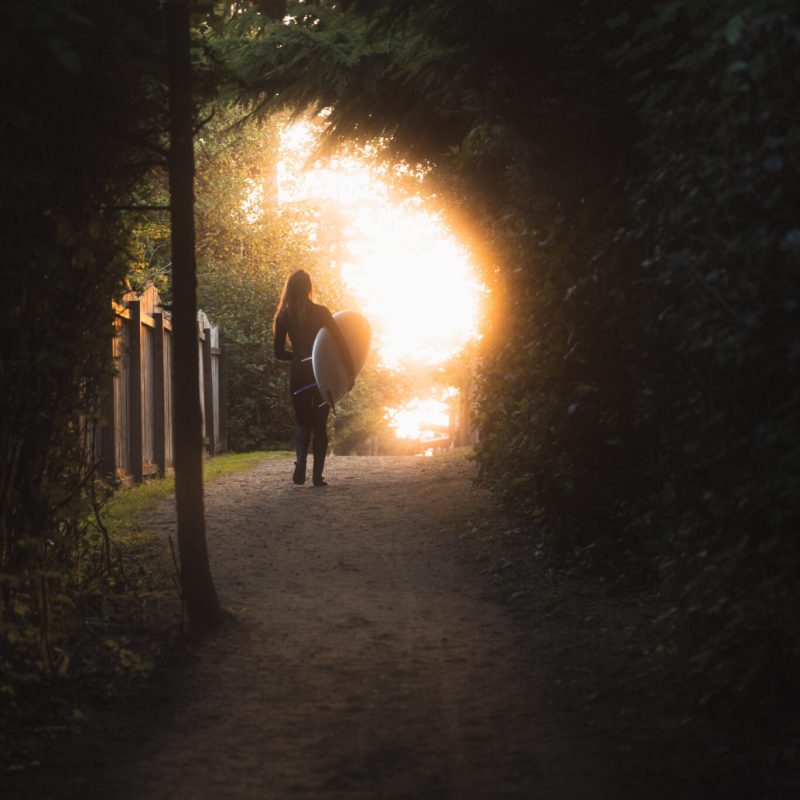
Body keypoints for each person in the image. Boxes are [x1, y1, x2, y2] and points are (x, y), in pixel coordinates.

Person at [273, 270, 355, 486]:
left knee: (303, 424)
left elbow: (278, 353)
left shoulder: (284, 315)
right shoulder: (321, 312)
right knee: (320, 424)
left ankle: (300, 464)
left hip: (299, 374)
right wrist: (350, 371)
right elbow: (340, 343)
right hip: (322, 374)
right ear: (310, 286)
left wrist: (299, 357)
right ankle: (317, 477)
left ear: (290, 288)